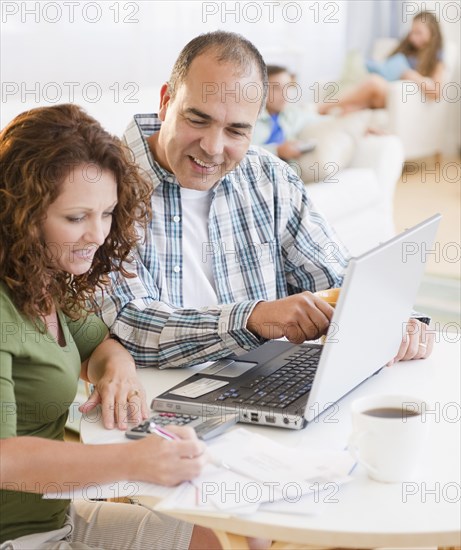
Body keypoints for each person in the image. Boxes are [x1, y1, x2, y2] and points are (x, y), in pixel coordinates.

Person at [98, 30, 434, 372]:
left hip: (263, 385)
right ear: (166, 101)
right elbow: (131, 325)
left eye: (236, 131)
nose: (213, 147)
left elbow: (332, 277)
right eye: (198, 119)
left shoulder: (268, 177)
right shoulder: (102, 186)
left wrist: (393, 318)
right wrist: (254, 319)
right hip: (155, 395)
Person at [0, 104, 236, 550]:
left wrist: (117, 372)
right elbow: (5, 461)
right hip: (17, 539)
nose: (98, 234)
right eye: (76, 218)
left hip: (59, 518)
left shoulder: (42, 278)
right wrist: (134, 460)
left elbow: (100, 346)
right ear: (19, 215)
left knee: (227, 538)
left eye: (106, 213)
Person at [319, 11, 444, 114]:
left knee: (374, 81)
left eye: (418, 32)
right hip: (382, 90)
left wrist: (411, 75)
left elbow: (436, 92)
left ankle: (325, 106)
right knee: (349, 109)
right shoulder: (406, 49)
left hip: (398, 96)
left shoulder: (436, 57)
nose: (413, 37)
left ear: (432, 32)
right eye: (412, 32)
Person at [251, 65, 317, 161]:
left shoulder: (291, 114)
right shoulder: (250, 119)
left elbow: (320, 116)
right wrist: (277, 150)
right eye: (276, 88)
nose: (284, 94)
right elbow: (241, 153)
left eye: (287, 87)